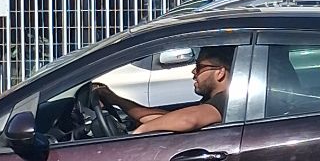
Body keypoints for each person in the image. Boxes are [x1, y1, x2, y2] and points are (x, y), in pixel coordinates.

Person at [93, 46, 233, 135]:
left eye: (199, 67)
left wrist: (140, 131)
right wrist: (116, 100)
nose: (193, 71)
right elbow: (164, 119)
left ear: (220, 72)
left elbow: (187, 120)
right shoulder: (211, 100)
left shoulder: (227, 100)